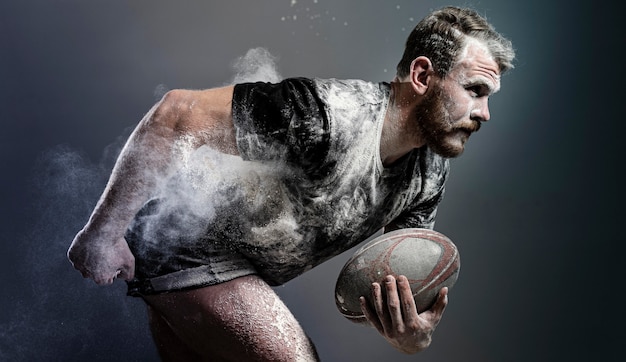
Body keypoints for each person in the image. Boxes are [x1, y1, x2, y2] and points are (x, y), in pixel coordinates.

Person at [68, 6, 515, 361]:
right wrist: (102, 234)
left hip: (241, 269)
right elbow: (176, 114)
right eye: (475, 90)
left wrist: (409, 334)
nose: (485, 113)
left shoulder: (430, 171)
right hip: (186, 247)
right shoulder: (327, 115)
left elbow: (389, 279)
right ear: (421, 76)